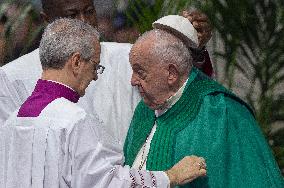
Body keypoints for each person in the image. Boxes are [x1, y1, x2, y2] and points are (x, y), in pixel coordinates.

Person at [0, 18, 207, 188]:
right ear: (77, 62)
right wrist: (170, 176)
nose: (95, 77)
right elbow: (108, 184)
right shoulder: (74, 121)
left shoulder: (12, 121)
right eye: (95, 66)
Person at [0, 0, 212, 146]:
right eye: (72, 15)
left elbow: (177, 87)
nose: (84, 21)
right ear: (47, 19)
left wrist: (194, 50)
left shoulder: (130, 56)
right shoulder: (11, 77)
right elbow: (13, 149)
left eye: (89, 11)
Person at [123, 27, 284, 187]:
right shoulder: (144, 110)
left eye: (140, 72)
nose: (133, 81)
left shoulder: (222, 112)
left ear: (171, 73)